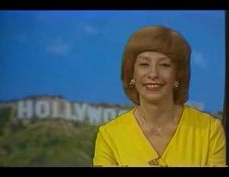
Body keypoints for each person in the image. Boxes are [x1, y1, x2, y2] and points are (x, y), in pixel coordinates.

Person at [93, 26, 226, 167]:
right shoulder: (109, 136)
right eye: (144, 64)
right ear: (132, 74)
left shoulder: (209, 131)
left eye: (164, 65)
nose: (153, 74)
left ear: (178, 75)